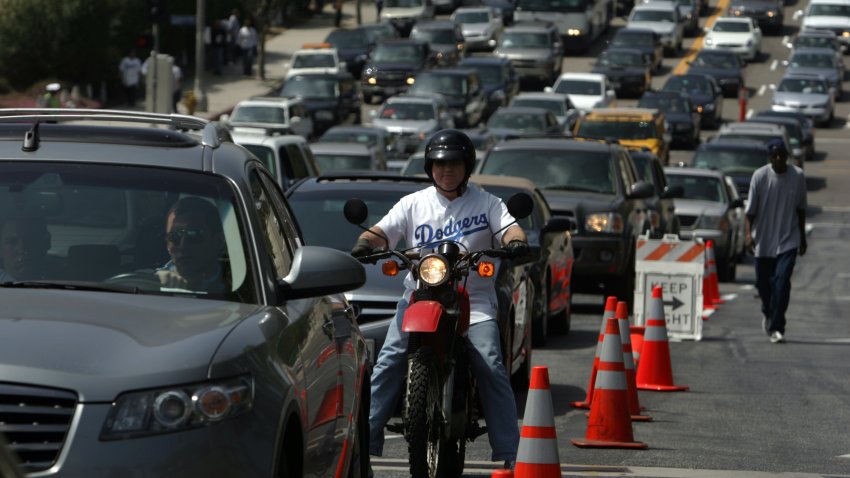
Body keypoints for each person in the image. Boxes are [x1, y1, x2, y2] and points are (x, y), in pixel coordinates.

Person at [350, 129, 527, 469]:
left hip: (472, 301)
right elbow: (381, 232)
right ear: (430, 167)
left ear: (468, 167)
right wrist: (364, 242)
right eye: (440, 164)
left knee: (491, 364)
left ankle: (510, 452)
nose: (447, 170)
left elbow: (510, 228)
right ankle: (363, 443)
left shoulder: (487, 203)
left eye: (455, 163)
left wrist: (515, 242)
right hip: (419, 297)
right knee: (387, 361)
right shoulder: (413, 203)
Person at [745, 139, 807, 344]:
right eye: (775, 155)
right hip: (763, 240)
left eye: (782, 154)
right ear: (770, 157)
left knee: (781, 283)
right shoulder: (760, 176)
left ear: (787, 156)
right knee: (764, 286)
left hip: (788, 239)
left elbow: (801, 209)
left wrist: (803, 238)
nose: (779, 158)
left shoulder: (797, 176)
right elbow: (750, 212)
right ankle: (768, 310)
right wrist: (748, 235)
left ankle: (777, 326)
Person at [155, 197, 229, 293]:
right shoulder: (148, 282)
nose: (183, 246)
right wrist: (153, 281)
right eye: (174, 236)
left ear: (218, 241)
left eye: (194, 235)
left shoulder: (240, 287)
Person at [0, 217, 56, 282]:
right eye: (12, 242)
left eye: (31, 240)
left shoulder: (67, 282)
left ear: (46, 242)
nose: (22, 250)